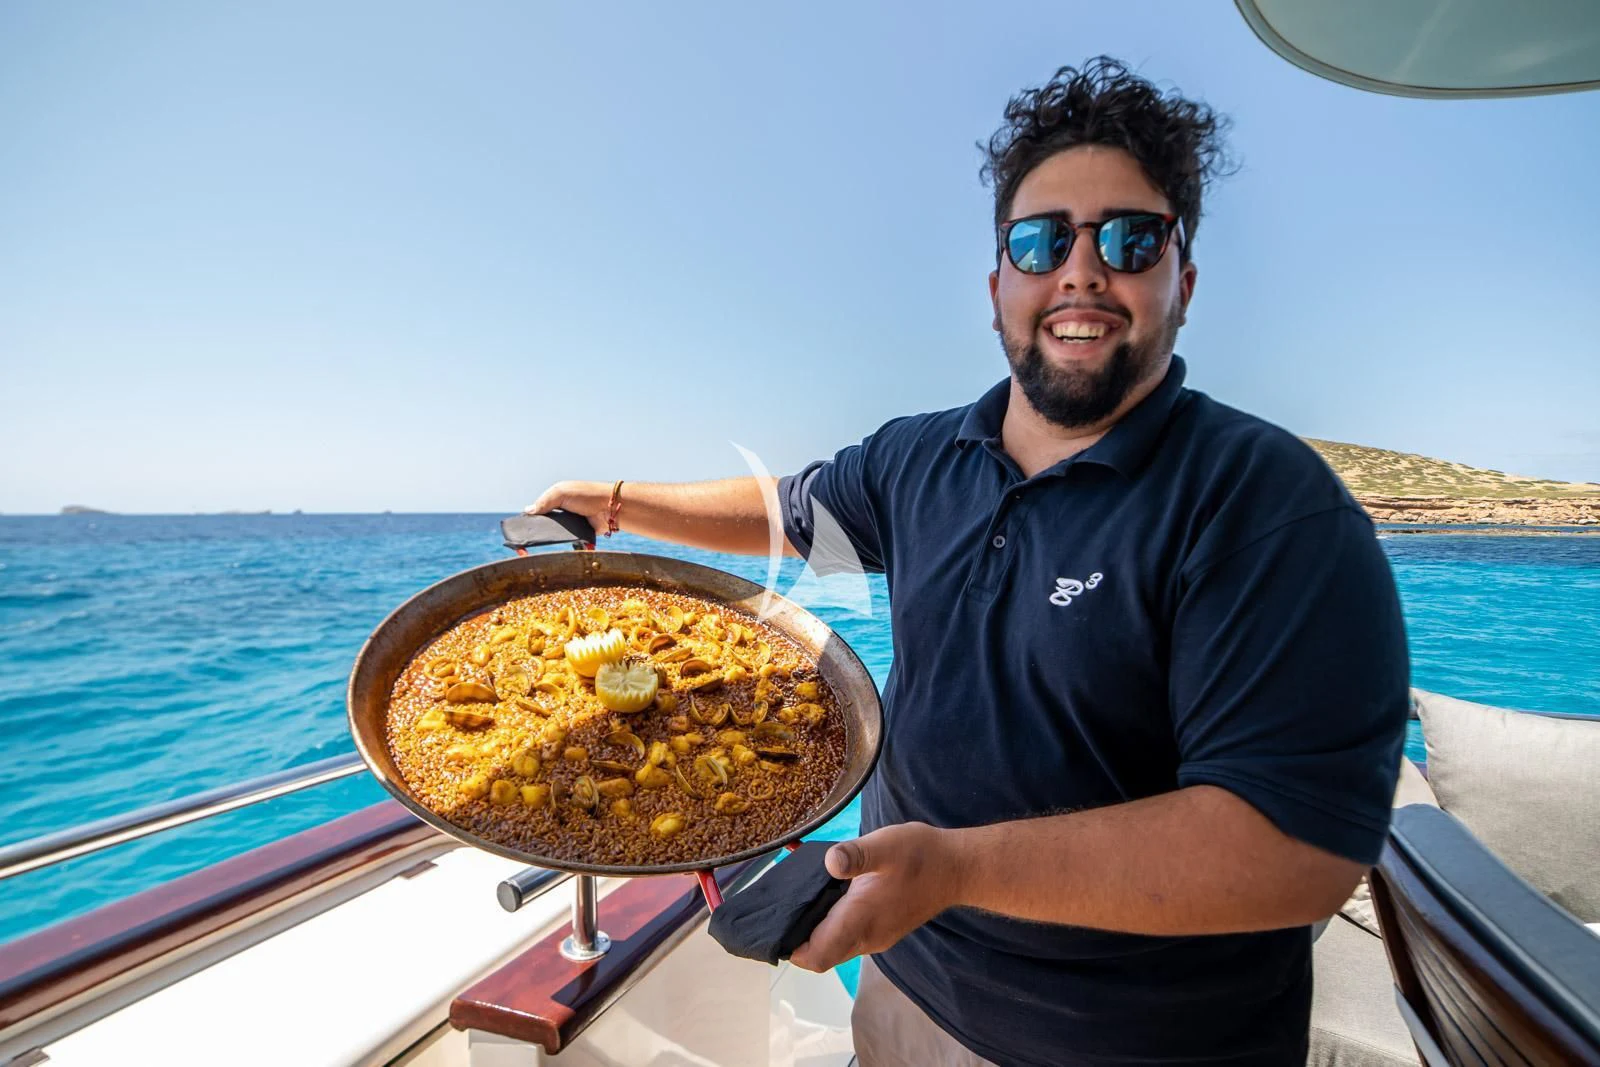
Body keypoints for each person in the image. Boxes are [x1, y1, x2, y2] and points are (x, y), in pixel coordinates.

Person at [528, 57, 1409, 1067]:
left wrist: (950, 868)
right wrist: (613, 501)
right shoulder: (920, 455)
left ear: (1183, 281)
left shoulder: (1264, 501)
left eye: (1130, 239)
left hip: (1131, 1042)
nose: (1081, 270)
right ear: (999, 284)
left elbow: (1291, 850)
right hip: (904, 983)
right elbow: (790, 512)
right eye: (1041, 241)